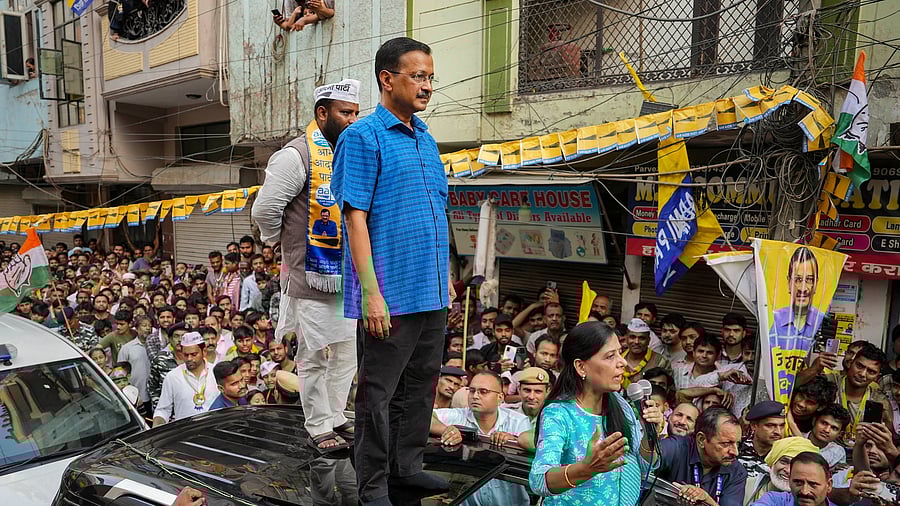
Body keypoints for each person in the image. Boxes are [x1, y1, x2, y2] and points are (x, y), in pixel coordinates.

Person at [332, 38, 453, 503]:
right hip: (389, 293)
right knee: (377, 396)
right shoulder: (362, 137)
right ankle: (373, 486)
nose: (426, 86)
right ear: (388, 79)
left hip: (430, 289)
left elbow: (435, 213)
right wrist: (371, 294)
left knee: (420, 387)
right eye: (417, 76)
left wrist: (446, 280)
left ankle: (407, 468)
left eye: (429, 78)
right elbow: (355, 216)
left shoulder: (425, 137)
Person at [253, 78, 361, 455]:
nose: (352, 120)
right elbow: (265, 209)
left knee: (348, 353)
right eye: (344, 113)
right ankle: (317, 425)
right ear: (322, 113)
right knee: (315, 355)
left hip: (348, 279)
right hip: (311, 274)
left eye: (355, 113)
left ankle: (334, 414)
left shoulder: (350, 152)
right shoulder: (296, 155)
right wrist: (279, 243)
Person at [528, 321, 664, 504]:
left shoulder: (621, 406)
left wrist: (650, 435)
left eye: (619, 352)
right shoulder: (559, 414)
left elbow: (646, 465)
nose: (622, 362)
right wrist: (587, 468)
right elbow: (538, 480)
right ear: (581, 367)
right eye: (610, 356)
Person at [431, 371, 531, 505]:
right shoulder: (459, 416)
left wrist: (515, 440)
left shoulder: (517, 422)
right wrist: (446, 430)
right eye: (472, 391)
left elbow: (536, 451)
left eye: (483, 391)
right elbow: (424, 417)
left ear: (500, 397)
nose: (475, 396)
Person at [655, 407, 748, 506]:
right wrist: (650, 435)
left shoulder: (737, 471)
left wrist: (706, 499)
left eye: (737, 444)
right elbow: (645, 462)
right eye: (726, 443)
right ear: (701, 439)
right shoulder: (677, 447)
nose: (735, 452)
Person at [824, 343, 892, 441]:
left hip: (860, 453)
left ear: (877, 376)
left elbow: (884, 439)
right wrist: (814, 369)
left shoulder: (879, 401)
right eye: (859, 366)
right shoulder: (830, 383)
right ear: (851, 363)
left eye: (871, 372)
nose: (862, 374)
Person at [153, 331, 217, 425]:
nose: (189, 359)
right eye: (186, 355)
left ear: (204, 352)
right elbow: (163, 410)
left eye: (194, 354)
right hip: (185, 434)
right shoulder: (173, 377)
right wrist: (157, 426)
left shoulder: (215, 372)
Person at [743, 438, 821, 506]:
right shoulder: (746, 485)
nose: (788, 470)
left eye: (796, 466)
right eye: (784, 462)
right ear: (773, 461)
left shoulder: (813, 499)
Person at [769, 247, 825, 339]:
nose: (802, 289)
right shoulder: (773, 320)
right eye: (797, 279)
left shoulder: (821, 320)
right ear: (789, 282)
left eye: (809, 279)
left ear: (816, 284)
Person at [748, 452, 833, 506]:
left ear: (828, 485)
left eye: (813, 484)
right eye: (798, 482)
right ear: (789, 481)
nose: (804, 491)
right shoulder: (774, 500)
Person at [739, 401, 786, 479]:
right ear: (754, 425)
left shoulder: (787, 455)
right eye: (770, 426)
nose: (778, 432)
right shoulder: (736, 449)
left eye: (782, 426)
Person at [621, 317, 672, 388]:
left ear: (649, 340)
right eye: (632, 337)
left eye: (642, 338)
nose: (636, 342)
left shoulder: (661, 362)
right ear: (626, 339)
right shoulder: (617, 359)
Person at [118, 315, 153, 415]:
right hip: (136, 394)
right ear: (137, 328)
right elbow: (121, 372)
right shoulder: (127, 348)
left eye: (149, 326)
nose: (147, 328)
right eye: (144, 325)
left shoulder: (157, 346)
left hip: (154, 394)